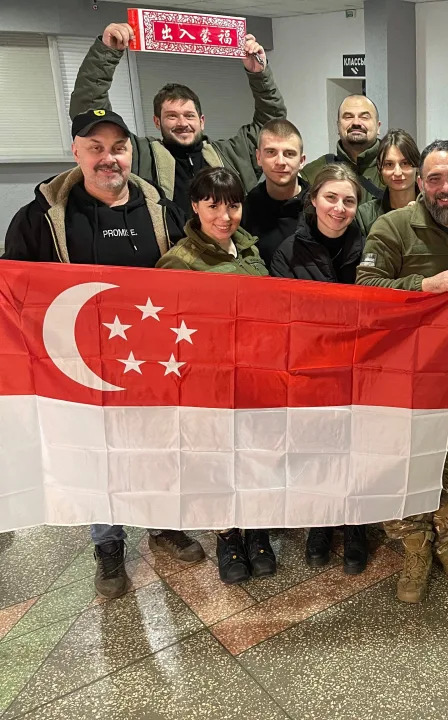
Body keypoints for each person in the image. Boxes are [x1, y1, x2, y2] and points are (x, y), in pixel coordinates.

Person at [2, 108, 203, 599]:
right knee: (97, 457)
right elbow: (14, 292)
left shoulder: (163, 209)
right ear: (76, 151)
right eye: (96, 148)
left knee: (158, 449)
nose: (108, 158)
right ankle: (109, 544)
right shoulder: (39, 219)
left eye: (118, 148)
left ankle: (163, 523)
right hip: (77, 366)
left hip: (154, 361)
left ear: (132, 152)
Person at [356, 140, 448, 603]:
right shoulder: (392, 227)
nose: (446, 188)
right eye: (435, 178)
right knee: (405, 465)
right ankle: (414, 546)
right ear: (421, 182)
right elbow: (365, 287)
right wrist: (422, 286)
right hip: (406, 378)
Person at [156, 167, 271, 585]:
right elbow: (166, 332)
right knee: (215, 461)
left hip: (253, 378)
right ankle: (227, 536)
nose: (225, 216)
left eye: (233, 205)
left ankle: (257, 531)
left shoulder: (252, 253)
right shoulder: (178, 261)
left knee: (254, 457)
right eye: (213, 205)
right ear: (195, 206)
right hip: (208, 384)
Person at [69, 22, 287, 215]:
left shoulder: (232, 155)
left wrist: (259, 73)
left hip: (227, 254)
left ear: (202, 120)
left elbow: (272, 123)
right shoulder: (140, 156)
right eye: (171, 116)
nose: (182, 123)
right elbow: (88, 112)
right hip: (167, 257)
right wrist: (106, 54)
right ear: (157, 122)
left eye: (189, 116)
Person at [270, 164, 370, 574]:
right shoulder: (287, 251)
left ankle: (357, 525)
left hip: (359, 367)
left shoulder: (370, 246)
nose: (339, 208)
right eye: (331, 197)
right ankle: (321, 523)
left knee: (357, 450)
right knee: (315, 450)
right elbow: (279, 316)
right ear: (313, 199)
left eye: (349, 200)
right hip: (310, 369)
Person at [242, 119, 309, 270]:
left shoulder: (320, 207)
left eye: (289, 153)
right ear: (258, 157)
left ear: (302, 161)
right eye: (271, 152)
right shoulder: (244, 210)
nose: (280, 161)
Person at [302, 94, 384, 202]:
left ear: (378, 127)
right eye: (348, 117)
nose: (356, 123)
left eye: (364, 117)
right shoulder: (314, 173)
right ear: (338, 126)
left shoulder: (397, 169)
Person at [356, 129, 420, 235]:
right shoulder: (365, 215)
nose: (398, 172)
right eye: (389, 164)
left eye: (405, 163)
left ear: (417, 166)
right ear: (380, 169)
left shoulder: (432, 208)